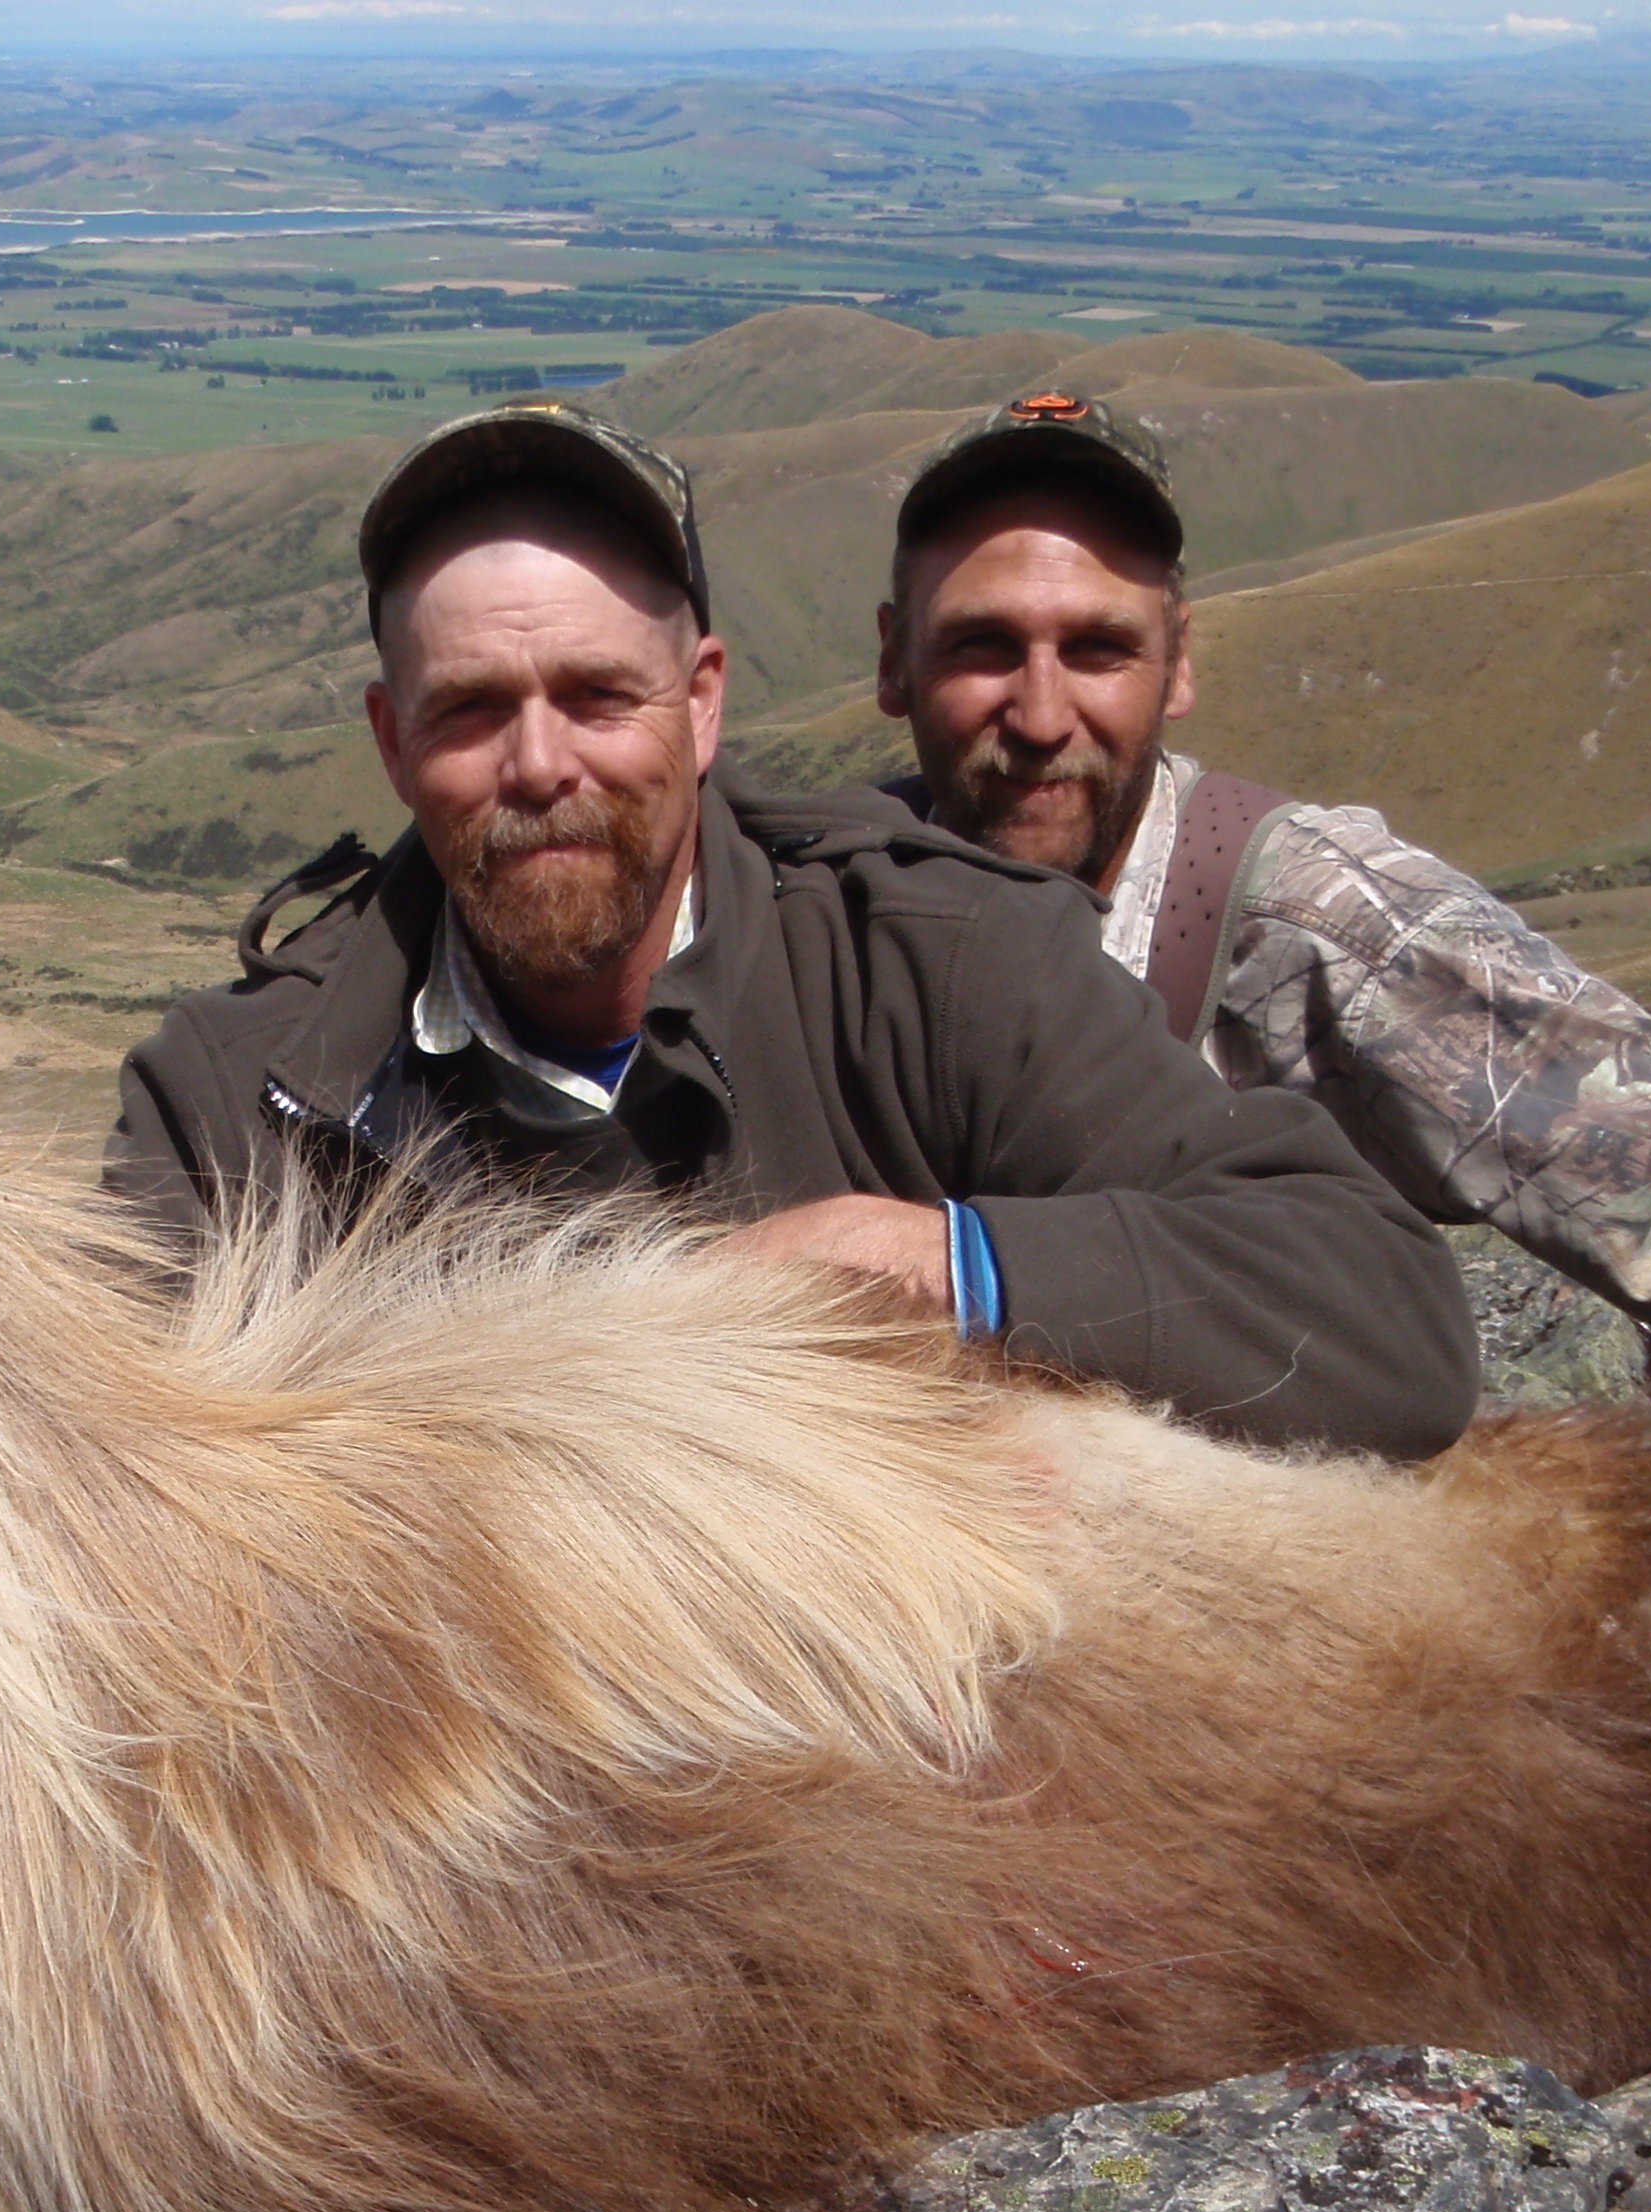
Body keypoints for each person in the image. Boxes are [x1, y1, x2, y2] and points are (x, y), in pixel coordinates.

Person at [101, 402, 1483, 1460]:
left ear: (701, 704)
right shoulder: (240, 1099)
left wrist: (925, 1267)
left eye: (598, 696)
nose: (538, 766)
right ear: (393, 743)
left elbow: (1382, 1317)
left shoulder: (939, 961)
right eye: (470, 711)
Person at [867, 389, 1651, 1439]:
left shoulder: (1307, 922)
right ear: (889, 661)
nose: (1037, 717)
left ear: (1178, 663)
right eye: (982, 647)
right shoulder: (826, 894)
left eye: (1097, 650)